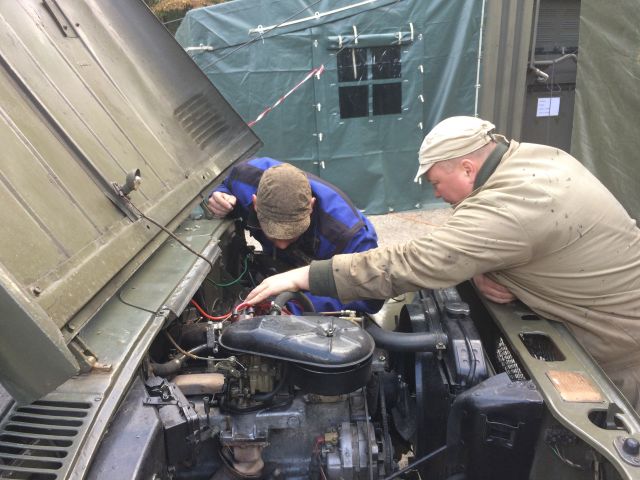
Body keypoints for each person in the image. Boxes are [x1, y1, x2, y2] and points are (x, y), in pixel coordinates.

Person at [245, 116, 640, 411]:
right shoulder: (532, 160)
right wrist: (480, 266)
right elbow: (499, 239)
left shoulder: (511, 208)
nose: (435, 193)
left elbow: (412, 261)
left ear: (467, 168)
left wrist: (304, 277)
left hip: (614, 352)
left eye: (435, 182)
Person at [208, 157, 382, 314]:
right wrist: (220, 197)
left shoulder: (348, 236)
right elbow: (224, 186)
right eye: (273, 234)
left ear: (311, 206)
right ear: (255, 203)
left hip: (321, 288)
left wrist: (293, 307)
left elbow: (370, 296)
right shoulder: (243, 180)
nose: (281, 245)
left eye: (292, 234)